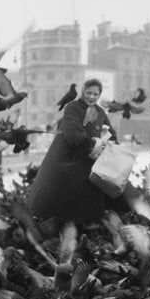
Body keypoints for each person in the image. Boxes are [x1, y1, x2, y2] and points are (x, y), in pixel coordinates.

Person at [28, 78, 129, 225]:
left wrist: (110, 143)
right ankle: (69, 223)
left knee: (106, 187)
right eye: (89, 93)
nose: (92, 97)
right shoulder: (72, 108)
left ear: (99, 95)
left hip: (92, 158)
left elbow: (112, 134)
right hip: (70, 156)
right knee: (67, 193)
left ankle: (96, 220)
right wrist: (91, 143)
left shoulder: (100, 112)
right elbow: (73, 131)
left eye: (95, 94)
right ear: (83, 91)